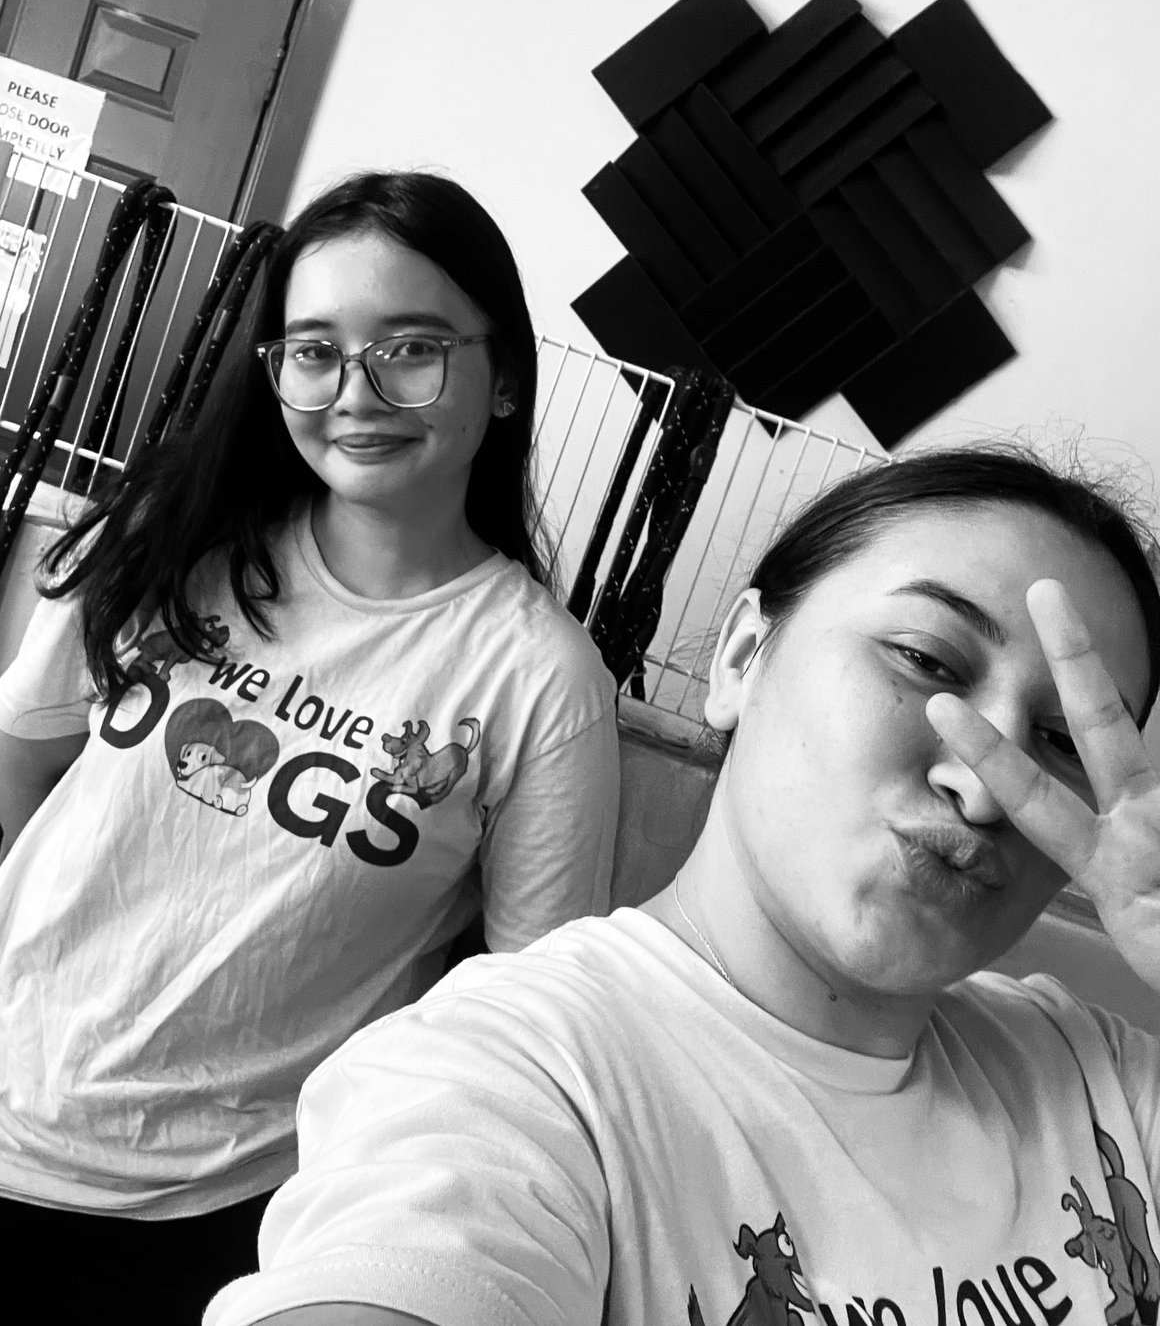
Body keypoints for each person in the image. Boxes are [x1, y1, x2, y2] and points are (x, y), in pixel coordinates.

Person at [205, 444, 1160, 1326]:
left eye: (1064, 739)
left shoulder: (1097, 1078)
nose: (984, 783)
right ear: (743, 657)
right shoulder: (522, 1078)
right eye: (926, 660)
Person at [0, 171, 619, 1324]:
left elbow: (524, 1009)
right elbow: (23, 754)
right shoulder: (169, 537)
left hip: (202, 1208)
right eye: (314, 349)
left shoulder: (539, 679)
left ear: (502, 383)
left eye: (412, 349)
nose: (355, 393)